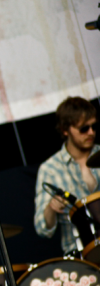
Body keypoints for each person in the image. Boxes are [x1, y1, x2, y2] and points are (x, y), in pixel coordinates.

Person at [34, 96, 100, 255]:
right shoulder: (50, 169)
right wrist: (51, 207)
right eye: (84, 129)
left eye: (94, 126)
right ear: (65, 130)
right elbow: (43, 228)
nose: (91, 132)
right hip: (81, 255)